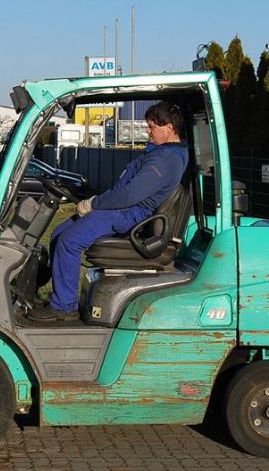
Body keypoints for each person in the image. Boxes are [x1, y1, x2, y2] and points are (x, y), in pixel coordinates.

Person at [30, 102, 189, 322]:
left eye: (152, 127)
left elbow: (130, 194)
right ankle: (59, 296)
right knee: (59, 233)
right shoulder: (162, 152)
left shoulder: (166, 159)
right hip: (121, 208)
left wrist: (94, 204)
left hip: (128, 213)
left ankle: (64, 307)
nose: (148, 131)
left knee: (70, 240)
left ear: (169, 127)